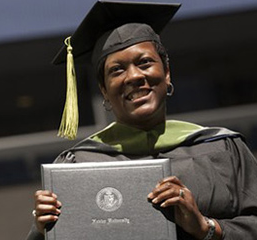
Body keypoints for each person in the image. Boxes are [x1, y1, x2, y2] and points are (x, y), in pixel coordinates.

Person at [26, 1, 257, 240]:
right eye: (117, 70)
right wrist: (42, 230)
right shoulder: (76, 166)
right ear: (104, 90)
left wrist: (205, 227)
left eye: (144, 62)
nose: (134, 76)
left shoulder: (223, 148)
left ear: (166, 73)